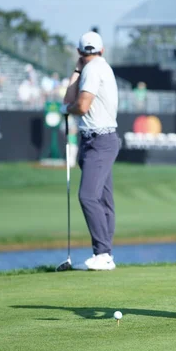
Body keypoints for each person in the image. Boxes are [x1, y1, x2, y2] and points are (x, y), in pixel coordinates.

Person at [61, 31, 120, 270]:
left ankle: (103, 253)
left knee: (87, 196)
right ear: (101, 50)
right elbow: (69, 99)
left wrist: (68, 109)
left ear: (79, 52)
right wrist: (76, 71)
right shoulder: (95, 67)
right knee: (104, 200)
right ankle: (105, 255)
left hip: (100, 140)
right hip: (96, 140)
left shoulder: (93, 70)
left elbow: (80, 105)